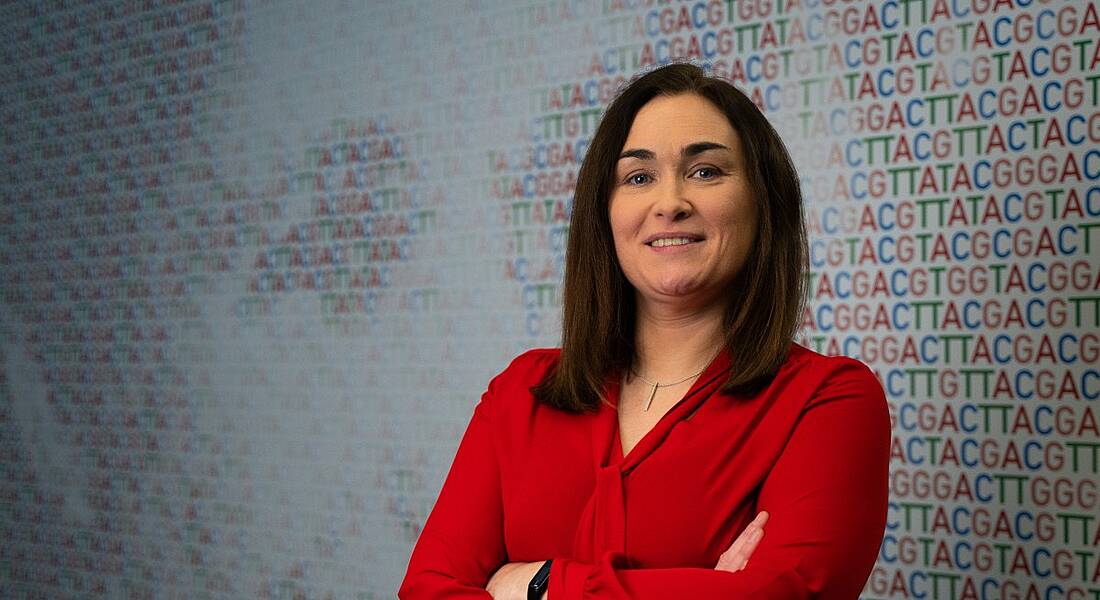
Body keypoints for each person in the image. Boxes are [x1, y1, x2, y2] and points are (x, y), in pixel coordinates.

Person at [398, 62, 890, 599]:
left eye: (705, 171)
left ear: (762, 201)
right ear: (604, 213)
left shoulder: (828, 400)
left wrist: (540, 584)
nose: (670, 203)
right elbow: (428, 590)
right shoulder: (520, 393)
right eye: (638, 177)